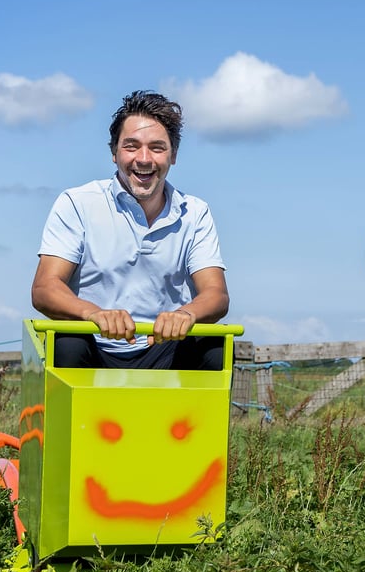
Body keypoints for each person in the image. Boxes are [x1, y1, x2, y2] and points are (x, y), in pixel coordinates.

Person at [31, 90, 229, 370]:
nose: (144, 159)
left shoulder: (195, 212)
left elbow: (216, 294)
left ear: (173, 155)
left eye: (157, 148)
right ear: (114, 152)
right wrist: (95, 314)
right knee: (68, 344)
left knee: (214, 347)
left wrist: (185, 315)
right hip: (94, 344)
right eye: (131, 146)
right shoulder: (77, 203)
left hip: (164, 349)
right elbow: (44, 288)